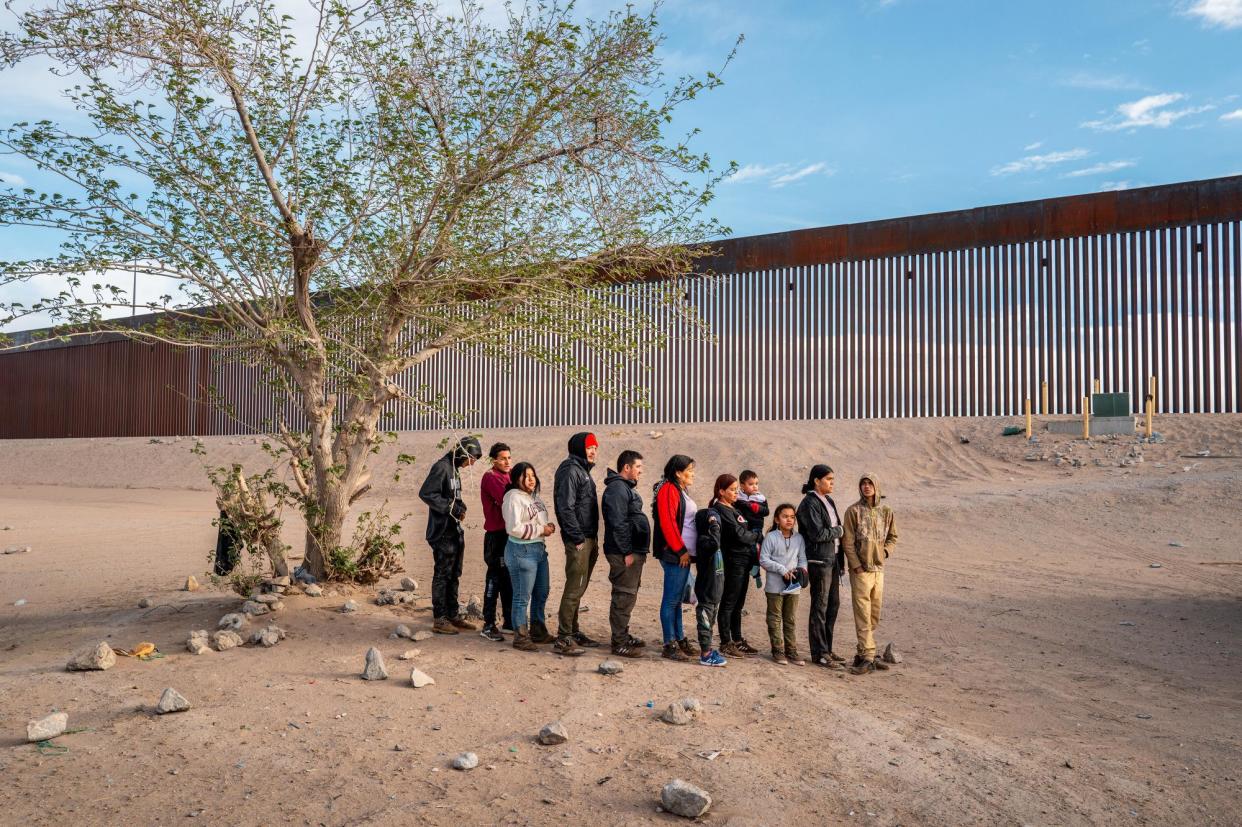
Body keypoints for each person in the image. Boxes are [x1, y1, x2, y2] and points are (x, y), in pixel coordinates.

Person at [419, 435, 483, 634]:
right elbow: (427, 493)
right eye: (471, 458)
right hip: (442, 532)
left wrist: (460, 506)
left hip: (454, 531)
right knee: (443, 574)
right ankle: (440, 619)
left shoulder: (453, 469)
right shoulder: (441, 467)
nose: (471, 463)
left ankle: (452, 614)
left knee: (455, 573)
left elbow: (452, 496)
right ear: (463, 453)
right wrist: (450, 508)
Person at [842, 472, 898, 675]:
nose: (866, 487)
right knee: (863, 614)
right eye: (863, 483)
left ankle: (864, 653)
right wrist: (856, 565)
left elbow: (893, 536)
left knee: (874, 614)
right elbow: (847, 542)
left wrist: (884, 552)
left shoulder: (886, 511)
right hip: (861, 571)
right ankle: (868, 656)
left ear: (876, 486)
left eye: (870, 483)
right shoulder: (853, 511)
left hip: (878, 570)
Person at [552, 432, 602, 656]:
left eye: (595, 448)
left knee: (579, 586)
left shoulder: (582, 471)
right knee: (574, 587)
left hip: (588, 538)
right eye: (589, 447)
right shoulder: (571, 470)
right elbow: (565, 507)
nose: (593, 451)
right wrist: (577, 537)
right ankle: (563, 638)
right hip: (579, 540)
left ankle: (573, 630)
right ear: (579, 448)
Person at [501, 462, 557, 652]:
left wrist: (546, 526)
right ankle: (521, 636)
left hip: (539, 550)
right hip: (521, 552)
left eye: (533, 475)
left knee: (542, 591)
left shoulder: (533, 497)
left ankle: (538, 630)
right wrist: (542, 529)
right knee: (521, 596)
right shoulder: (513, 498)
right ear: (517, 478)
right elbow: (514, 528)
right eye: (526, 476)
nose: (531, 479)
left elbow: (534, 520)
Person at [601, 450, 651, 658]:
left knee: (628, 595)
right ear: (627, 468)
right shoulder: (617, 489)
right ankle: (619, 642)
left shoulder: (623, 488)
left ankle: (623, 634)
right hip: (623, 553)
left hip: (631, 551)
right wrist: (627, 551)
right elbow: (617, 522)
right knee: (624, 595)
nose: (641, 471)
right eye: (638, 467)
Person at [796, 464, 847, 668]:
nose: (832, 483)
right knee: (820, 605)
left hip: (832, 559)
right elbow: (818, 534)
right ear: (816, 481)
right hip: (818, 560)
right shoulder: (809, 503)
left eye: (833, 480)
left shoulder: (828, 500)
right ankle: (820, 653)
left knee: (833, 605)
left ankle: (828, 649)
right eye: (828, 479)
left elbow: (830, 531)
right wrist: (840, 531)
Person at [652, 454, 698, 662]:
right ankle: (668, 643)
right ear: (678, 472)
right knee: (671, 600)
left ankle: (679, 639)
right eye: (689, 470)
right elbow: (667, 523)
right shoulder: (668, 489)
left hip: (682, 555)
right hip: (675, 555)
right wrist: (680, 550)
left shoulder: (680, 490)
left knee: (677, 601)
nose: (692, 474)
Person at [714, 474, 762, 660]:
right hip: (733, 560)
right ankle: (726, 642)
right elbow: (739, 534)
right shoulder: (720, 509)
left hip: (744, 560)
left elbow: (744, 531)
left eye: (736, 489)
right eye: (732, 490)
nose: (736, 493)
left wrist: (750, 535)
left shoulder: (732, 508)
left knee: (738, 603)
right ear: (721, 491)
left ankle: (738, 639)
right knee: (729, 602)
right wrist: (756, 536)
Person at [759, 503, 808, 665]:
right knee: (774, 618)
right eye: (785, 516)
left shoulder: (799, 538)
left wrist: (800, 571)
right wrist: (781, 569)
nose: (789, 520)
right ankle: (778, 650)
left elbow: (802, 559)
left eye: (792, 517)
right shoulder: (771, 537)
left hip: (793, 586)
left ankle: (791, 651)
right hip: (775, 586)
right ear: (777, 519)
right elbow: (763, 559)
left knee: (790, 619)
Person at [691, 476, 730, 667]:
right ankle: (705, 654)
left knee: (711, 620)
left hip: (715, 590)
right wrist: (713, 523)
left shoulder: (714, 542)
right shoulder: (705, 541)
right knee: (705, 621)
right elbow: (714, 543)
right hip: (706, 590)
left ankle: (708, 650)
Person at [478, 442, 515, 642]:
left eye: (509, 458)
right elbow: (508, 501)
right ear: (494, 460)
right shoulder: (491, 477)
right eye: (503, 458)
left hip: (508, 536)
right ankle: (488, 624)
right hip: (495, 536)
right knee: (494, 578)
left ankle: (509, 621)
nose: (507, 461)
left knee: (508, 578)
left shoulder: (508, 476)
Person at [735, 468, 769, 592]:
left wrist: (756, 508)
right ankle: (756, 572)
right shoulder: (738, 498)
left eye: (756, 483)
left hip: (756, 528)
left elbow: (766, 511)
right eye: (751, 484)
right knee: (750, 550)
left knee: (759, 548)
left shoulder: (760, 498)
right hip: (745, 528)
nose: (755, 487)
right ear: (742, 485)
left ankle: (757, 570)